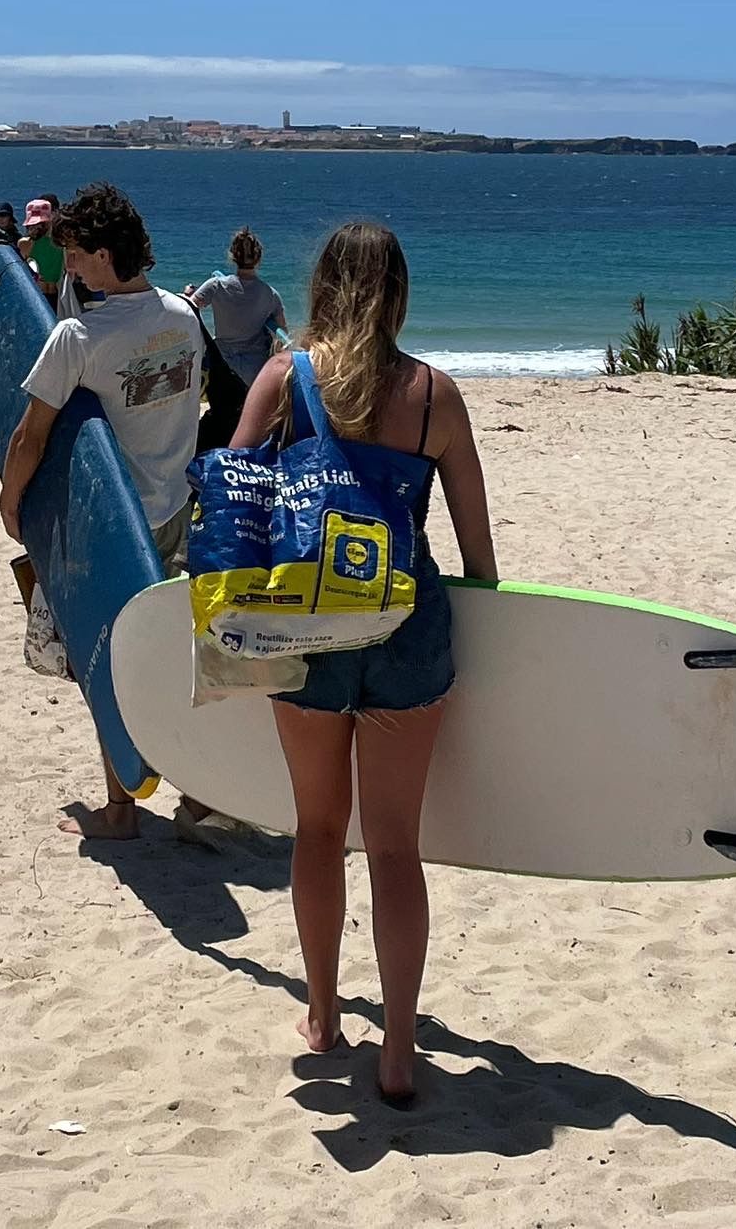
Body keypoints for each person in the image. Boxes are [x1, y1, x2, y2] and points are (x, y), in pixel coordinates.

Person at [227, 223, 497, 1106]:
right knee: (394, 848)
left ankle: (322, 1014)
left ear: (322, 286)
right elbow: (478, 554)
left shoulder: (282, 375)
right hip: (406, 631)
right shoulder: (435, 395)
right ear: (400, 293)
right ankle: (401, 1050)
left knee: (315, 830)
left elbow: (232, 493)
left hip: (305, 634)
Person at [0, 183, 212, 841]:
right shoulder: (183, 315)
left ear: (105, 252)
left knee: (107, 663)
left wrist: (11, 504)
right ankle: (199, 793)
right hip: (177, 505)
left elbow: (30, 435)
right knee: (177, 660)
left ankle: (120, 812)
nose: (71, 271)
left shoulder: (78, 337)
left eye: (78, 258)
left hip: (118, 525)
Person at [184, 228, 288, 385]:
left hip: (223, 365)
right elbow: (283, 332)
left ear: (232, 256)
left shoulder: (216, 285)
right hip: (256, 370)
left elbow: (189, 309)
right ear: (258, 259)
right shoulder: (271, 295)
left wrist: (187, 294)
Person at [21, 197, 64, 304]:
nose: (37, 227)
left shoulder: (62, 241)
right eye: (33, 224)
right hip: (37, 294)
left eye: (41, 223)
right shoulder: (25, 243)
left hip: (60, 294)